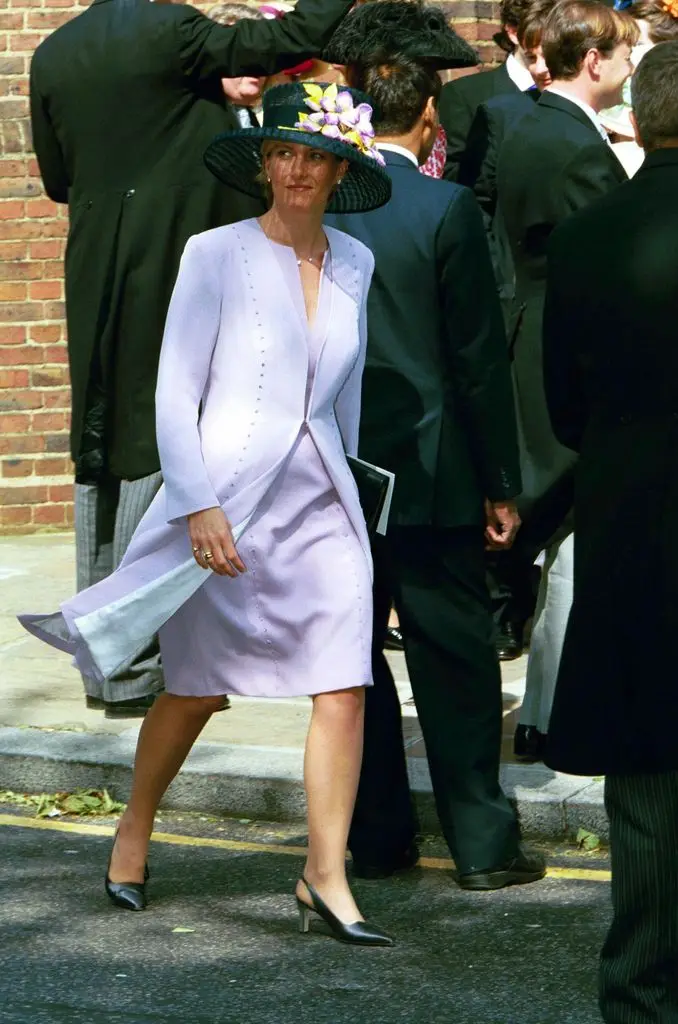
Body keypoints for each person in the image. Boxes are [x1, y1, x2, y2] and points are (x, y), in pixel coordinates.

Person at [22, 82, 395, 945]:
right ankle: (133, 829)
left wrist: (361, 508)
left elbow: (347, 402)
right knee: (194, 692)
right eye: (283, 153)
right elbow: (174, 390)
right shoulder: (214, 253)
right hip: (225, 505)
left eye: (314, 156)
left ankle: (325, 876)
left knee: (344, 687)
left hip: (323, 508)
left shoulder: (356, 263)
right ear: (265, 164)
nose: (298, 169)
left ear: (339, 169)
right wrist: (197, 504)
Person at [29, 0, 356, 720]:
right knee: (156, 436)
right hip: (166, 247)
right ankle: (129, 650)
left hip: (94, 258)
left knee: (101, 444)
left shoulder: (53, 52)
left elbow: (56, 178)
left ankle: (108, 658)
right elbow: (287, 39)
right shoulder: (171, 30)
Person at [328, 52, 546, 890]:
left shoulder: (321, 207)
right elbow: (477, 361)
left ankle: (378, 839)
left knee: (353, 662)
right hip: (433, 471)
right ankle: (483, 849)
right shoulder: (445, 205)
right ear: (424, 112)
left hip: (341, 475)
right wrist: (501, 482)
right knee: (454, 665)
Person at [542, 40, 678, 1023]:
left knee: (647, 787)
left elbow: (563, 409)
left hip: (637, 535)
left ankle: (639, 991)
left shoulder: (589, 237)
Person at [496, 0, 634, 760]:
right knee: (573, 543)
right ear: (595, 62)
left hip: (533, 337)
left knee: (562, 546)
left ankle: (550, 710)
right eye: (624, 56)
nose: (629, 69)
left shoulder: (530, 122)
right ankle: (554, 714)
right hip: (567, 353)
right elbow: (615, 254)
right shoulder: (580, 149)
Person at [456, 0, 556, 669]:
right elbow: (466, 208)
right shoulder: (472, 101)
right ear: (515, 33)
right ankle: (499, 605)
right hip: (496, 304)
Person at [438, 0, 546, 182]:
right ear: (513, 32)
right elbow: (452, 175)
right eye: (545, 29)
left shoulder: (573, 88)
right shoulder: (463, 95)